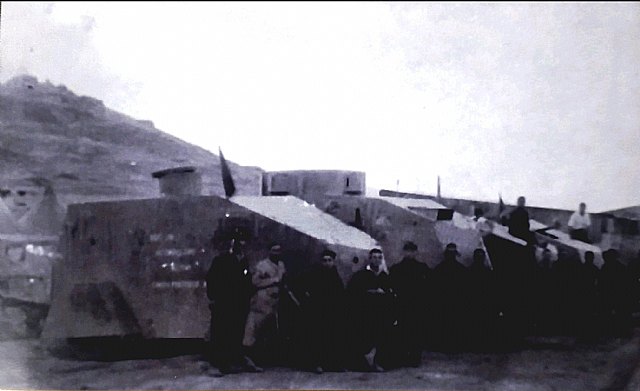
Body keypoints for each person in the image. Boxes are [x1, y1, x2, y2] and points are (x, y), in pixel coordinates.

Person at [206, 229, 257, 374]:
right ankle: (217, 364)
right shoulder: (221, 260)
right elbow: (212, 280)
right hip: (224, 303)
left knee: (237, 332)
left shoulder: (244, 262)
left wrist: (249, 295)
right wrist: (214, 298)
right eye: (239, 243)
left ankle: (235, 360)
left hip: (240, 303)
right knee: (221, 332)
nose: (242, 246)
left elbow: (246, 282)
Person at [294, 249, 346, 374]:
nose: (327, 263)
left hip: (331, 311)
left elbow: (340, 293)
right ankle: (316, 364)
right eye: (324, 261)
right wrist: (306, 298)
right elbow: (299, 286)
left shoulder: (335, 276)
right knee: (316, 338)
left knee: (331, 337)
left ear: (333, 262)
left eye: (329, 261)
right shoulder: (313, 274)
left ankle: (332, 364)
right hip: (316, 311)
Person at [346, 248, 394, 372]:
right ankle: (361, 364)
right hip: (364, 313)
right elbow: (352, 293)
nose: (376, 260)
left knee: (380, 338)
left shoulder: (384, 276)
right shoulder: (360, 275)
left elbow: (391, 294)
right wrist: (371, 292)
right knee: (364, 339)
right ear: (370, 259)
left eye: (379, 257)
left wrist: (384, 294)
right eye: (374, 257)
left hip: (380, 314)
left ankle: (377, 362)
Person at [242, 243, 287, 368]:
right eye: (274, 250)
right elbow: (255, 282)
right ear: (269, 251)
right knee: (255, 328)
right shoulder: (262, 265)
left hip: (275, 301)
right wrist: (273, 280)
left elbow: (283, 280)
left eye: (279, 250)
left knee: (268, 330)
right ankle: (248, 358)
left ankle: (264, 359)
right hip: (262, 300)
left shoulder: (281, 265)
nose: (277, 253)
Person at [389, 241, 429, 367]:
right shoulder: (396, 268)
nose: (409, 254)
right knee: (403, 331)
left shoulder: (422, 268)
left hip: (418, 304)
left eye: (412, 251)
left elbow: (429, 286)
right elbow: (392, 286)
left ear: (416, 252)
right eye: (407, 251)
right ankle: (403, 356)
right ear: (403, 252)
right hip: (403, 304)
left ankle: (415, 357)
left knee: (417, 331)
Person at [432, 243, 468, 352]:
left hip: (451, 302)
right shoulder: (441, 269)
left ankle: (450, 345)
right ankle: (451, 345)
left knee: (451, 324)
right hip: (448, 302)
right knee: (449, 324)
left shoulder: (440, 269)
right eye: (450, 254)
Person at [464, 248, 496, 351]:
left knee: (474, 323)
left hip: (473, 302)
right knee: (483, 324)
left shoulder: (469, 271)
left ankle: (474, 344)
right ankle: (483, 344)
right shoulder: (487, 272)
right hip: (484, 302)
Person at [600, 249, 632, 337]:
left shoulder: (605, 267)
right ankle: (621, 330)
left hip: (608, 293)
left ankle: (609, 330)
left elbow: (601, 282)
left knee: (608, 313)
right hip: (618, 293)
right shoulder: (620, 267)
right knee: (620, 313)